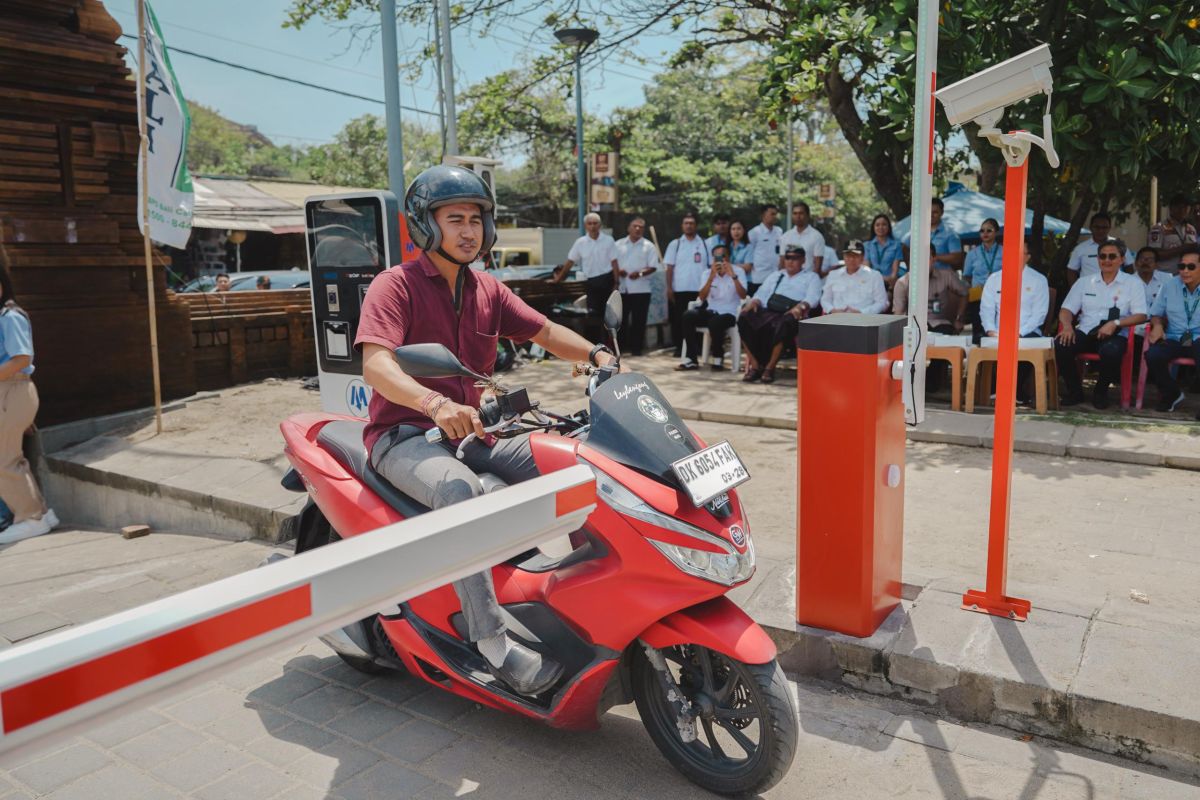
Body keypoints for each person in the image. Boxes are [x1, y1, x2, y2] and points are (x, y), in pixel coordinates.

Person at [356, 165, 620, 696]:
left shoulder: (486, 289)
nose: (468, 231)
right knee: (460, 492)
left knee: (577, 462)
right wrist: (431, 402)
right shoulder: (396, 285)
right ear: (425, 226)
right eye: (454, 219)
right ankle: (492, 641)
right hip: (404, 437)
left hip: (474, 432)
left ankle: (591, 596)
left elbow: (543, 330)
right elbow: (376, 364)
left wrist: (597, 355)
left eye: (476, 219)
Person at [0, 249, 59, 545]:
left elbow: (22, 357)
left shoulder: (9, 315)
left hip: (12, 390)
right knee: (11, 458)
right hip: (11, 391)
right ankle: (40, 513)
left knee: (3, 460)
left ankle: (30, 517)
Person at [1055, 241, 1148, 408]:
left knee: (1111, 351)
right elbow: (1066, 310)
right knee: (1060, 345)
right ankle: (1075, 392)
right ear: (1098, 259)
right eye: (1102, 256)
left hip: (1116, 334)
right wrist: (1067, 326)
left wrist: (1116, 323)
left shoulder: (1133, 283)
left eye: (1112, 256)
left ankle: (1101, 392)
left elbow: (1141, 315)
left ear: (1122, 259)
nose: (1107, 260)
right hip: (1085, 331)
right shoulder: (1084, 282)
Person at [737, 246, 821, 384]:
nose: (790, 261)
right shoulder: (777, 275)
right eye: (788, 258)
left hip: (792, 313)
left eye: (795, 258)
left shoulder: (811, 277)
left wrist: (801, 306)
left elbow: (814, 298)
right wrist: (755, 301)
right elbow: (761, 293)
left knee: (785, 323)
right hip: (769, 311)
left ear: (803, 260)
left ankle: (769, 368)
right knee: (744, 317)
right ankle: (756, 365)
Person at [979, 245, 1050, 404]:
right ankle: (998, 391)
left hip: (1028, 331)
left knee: (1023, 346)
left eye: (1019, 253)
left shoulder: (1038, 280)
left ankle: (1011, 392)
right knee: (984, 344)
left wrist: (1019, 332)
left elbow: (1039, 314)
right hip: (998, 332)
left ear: (1028, 256)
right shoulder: (995, 279)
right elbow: (986, 308)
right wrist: (990, 329)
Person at [1144, 247, 1200, 415]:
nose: (1184, 271)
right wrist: (1158, 325)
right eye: (1181, 266)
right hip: (1175, 336)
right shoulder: (1169, 285)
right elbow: (1155, 314)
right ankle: (1171, 393)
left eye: (1191, 267)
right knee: (1153, 355)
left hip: (1199, 337)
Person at [678, 244, 747, 371]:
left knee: (715, 322)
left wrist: (732, 275)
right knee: (688, 315)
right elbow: (702, 297)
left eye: (723, 256)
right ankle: (691, 359)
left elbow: (743, 295)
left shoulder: (738, 271)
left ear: (728, 257)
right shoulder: (707, 273)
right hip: (712, 311)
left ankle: (717, 358)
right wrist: (711, 277)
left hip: (730, 313)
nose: (720, 260)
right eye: (717, 257)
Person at [553, 212, 619, 339]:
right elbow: (570, 261)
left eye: (595, 223)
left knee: (609, 314)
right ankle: (596, 345)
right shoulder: (581, 242)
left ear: (600, 225)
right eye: (590, 224)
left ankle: (610, 344)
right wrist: (559, 278)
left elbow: (615, 262)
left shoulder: (608, 240)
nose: (592, 226)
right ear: (585, 226)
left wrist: (616, 283)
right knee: (593, 314)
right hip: (591, 282)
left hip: (607, 279)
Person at [664, 212, 710, 358]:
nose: (689, 226)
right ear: (682, 226)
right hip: (680, 289)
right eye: (686, 223)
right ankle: (679, 348)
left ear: (696, 226)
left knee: (698, 319)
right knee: (678, 320)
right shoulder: (675, 244)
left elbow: (710, 267)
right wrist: (669, 287)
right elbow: (669, 268)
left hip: (700, 290)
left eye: (692, 223)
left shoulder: (704, 243)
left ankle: (697, 349)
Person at [892, 245, 968, 333]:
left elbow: (964, 293)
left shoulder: (947, 276)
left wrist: (959, 317)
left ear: (934, 258)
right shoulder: (903, 282)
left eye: (926, 258)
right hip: (914, 326)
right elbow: (899, 314)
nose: (922, 262)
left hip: (941, 324)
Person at [615, 217, 659, 356]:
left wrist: (640, 273)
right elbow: (612, 263)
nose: (638, 229)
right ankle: (620, 349)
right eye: (635, 226)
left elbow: (653, 267)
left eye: (641, 227)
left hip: (641, 289)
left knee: (639, 321)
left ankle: (636, 349)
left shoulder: (649, 246)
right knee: (620, 321)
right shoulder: (618, 244)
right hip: (622, 288)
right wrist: (618, 271)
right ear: (629, 228)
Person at [820, 240, 889, 314]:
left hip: (865, 320)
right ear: (844, 256)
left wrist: (862, 312)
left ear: (862, 257)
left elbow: (882, 303)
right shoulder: (833, 275)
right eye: (848, 255)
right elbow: (825, 300)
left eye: (855, 255)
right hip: (837, 320)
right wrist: (833, 310)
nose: (851, 259)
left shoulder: (874, 276)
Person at [1066, 212, 1133, 285]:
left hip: (1115, 290)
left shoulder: (1119, 245)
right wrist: (1077, 289)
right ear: (1091, 227)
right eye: (1097, 227)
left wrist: (1126, 285)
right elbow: (1071, 271)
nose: (1100, 231)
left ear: (1109, 228)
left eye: (1104, 227)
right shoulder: (1080, 249)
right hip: (1089, 291)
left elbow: (1129, 267)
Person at [964, 218, 1002, 343]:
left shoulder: (1004, 252)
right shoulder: (972, 253)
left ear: (996, 232)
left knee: (996, 329)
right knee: (978, 331)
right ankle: (978, 360)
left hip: (998, 295)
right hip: (978, 294)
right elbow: (967, 276)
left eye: (989, 230)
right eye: (982, 230)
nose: (985, 233)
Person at [902, 197, 963, 270]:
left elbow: (956, 258)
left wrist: (934, 257)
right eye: (929, 212)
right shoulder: (917, 231)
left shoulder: (950, 234)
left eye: (935, 212)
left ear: (942, 212)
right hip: (920, 276)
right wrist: (909, 266)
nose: (931, 215)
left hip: (941, 276)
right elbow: (904, 246)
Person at [1147, 194, 1197, 275]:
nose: (1183, 210)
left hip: (1186, 275)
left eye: (1186, 207)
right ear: (1171, 208)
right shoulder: (1159, 228)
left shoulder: (1191, 228)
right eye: (1180, 207)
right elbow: (1154, 254)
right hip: (1166, 275)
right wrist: (1182, 248)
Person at [779, 202, 825, 277]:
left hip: (807, 281)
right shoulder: (785, 236)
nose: (798, 216)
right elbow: (782, 263)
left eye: (801, 213)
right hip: (788, 281)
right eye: (795, 213)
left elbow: (817, 267)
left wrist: (811, 282)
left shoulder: (817, 236)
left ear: (807, 215)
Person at [745, 204, 782, 295]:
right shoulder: (754, 232)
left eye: (776, 214)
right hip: (759, 276)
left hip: (775, 275)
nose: (775, 217)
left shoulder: (779, 231)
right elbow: (748, 253)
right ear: (763, 215)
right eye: (772, 214)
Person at [864, 214, 905, 289]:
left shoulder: (896, 245)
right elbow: (867, 271)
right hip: (871, 284)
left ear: (889, 227)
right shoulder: (867, 245)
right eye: (877, 225)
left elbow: (894, 274)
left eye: (884, 224)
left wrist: (889, 282)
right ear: (873, 228)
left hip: (890, 285)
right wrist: (883, 279)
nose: (881, 227)